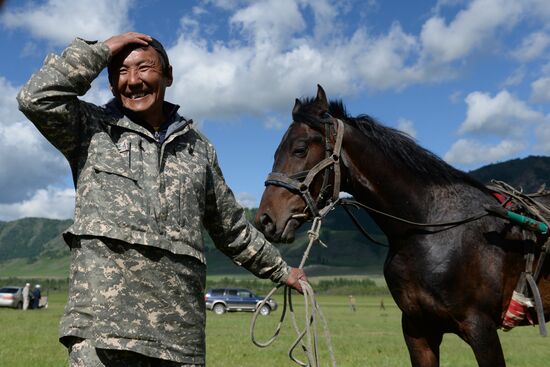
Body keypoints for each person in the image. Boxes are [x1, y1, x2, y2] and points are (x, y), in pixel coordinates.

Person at [17, 32, 307, 366]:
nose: (133, 80)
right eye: (121, 72)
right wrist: (102, 50)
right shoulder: (89, 128)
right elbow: (35, 97)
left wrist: (283, 271)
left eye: (144, 68)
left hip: (179, 339)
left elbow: (232, 230)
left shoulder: (199, 149)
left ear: (168, 75)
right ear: (110, 84)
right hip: (102, 336)